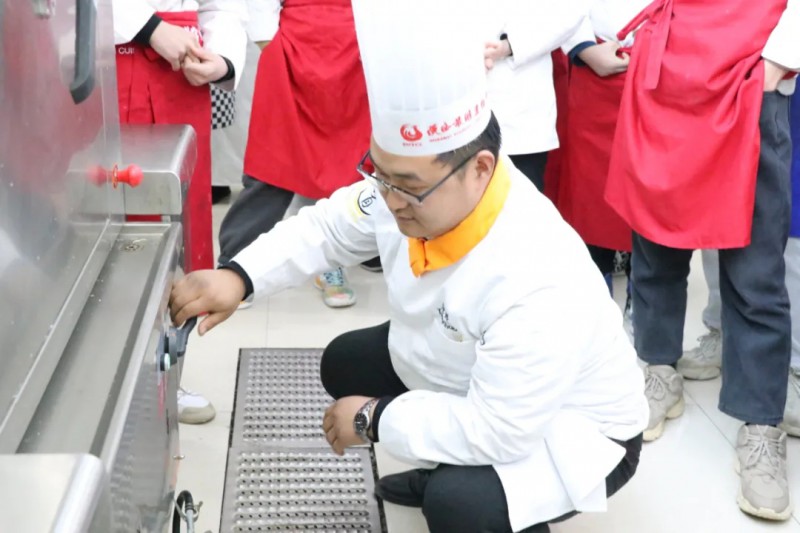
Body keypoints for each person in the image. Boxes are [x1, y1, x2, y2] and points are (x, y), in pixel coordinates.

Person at [169, 2, 648, 531]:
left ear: (480, 168)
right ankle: (447, 466)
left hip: (572, 428)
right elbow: (329, 226)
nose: (391, 201)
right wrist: (238, 277)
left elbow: (499, 429)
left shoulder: (532, 271)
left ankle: (488, 498)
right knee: (345, 363)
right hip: (471, 371)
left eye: (409, 188)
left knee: (459, 506)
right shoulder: (409, 186)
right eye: (381, 175)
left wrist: (373, 419)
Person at [605, 0, 800, 520]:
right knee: (654, 244)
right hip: (667, 73)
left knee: (756, 272)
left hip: (747, 73)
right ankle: (658, 368)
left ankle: (761, 425)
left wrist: (779, 61)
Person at [112, 0, 247, 424]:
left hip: (184, 77)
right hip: (114, 61)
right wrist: (150, 27)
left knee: (182, 228)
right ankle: (118, 386)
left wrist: (222, 60)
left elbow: (221, 7)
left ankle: (167, 377)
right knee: (120, 232)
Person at [217, 0, 373, 309]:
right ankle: (235, 262)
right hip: (292, 47)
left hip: (356, 50)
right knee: (274, 163)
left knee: (351, 162)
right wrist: (270, 42)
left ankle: (339, 261)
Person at [481, 4, 588, 192]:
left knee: (519, 199)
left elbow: (570, 9)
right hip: (452, 103)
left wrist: (510, 46)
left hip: (519, 106)